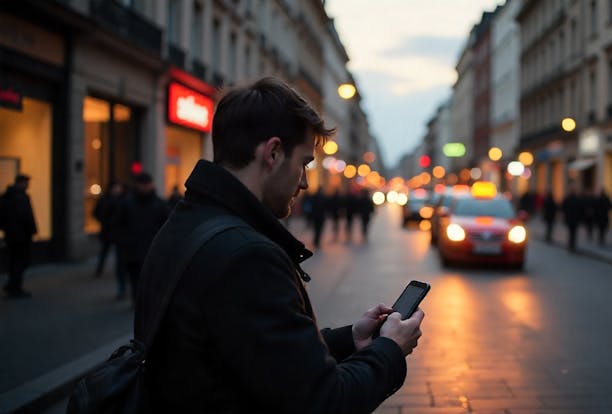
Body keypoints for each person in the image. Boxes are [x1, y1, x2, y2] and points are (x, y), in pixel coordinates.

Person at [134, 77, 424, 412]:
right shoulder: (246, 257)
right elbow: (324, 401)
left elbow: (258, 354)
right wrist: (389, 349)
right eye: (303, 163)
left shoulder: (187, 221)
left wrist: (350, 339)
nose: (304, 182)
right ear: (272, 153)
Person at [114, 173, 168, 302]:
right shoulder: (127, 203)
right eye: (142, 184)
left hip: (153, 251)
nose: (144, 187)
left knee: (151, 282)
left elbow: (167, 227)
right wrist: (124, 243)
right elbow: (118, 224)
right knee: (135, 281)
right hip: (133, 250)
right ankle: (137, 302)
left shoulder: (160, 204)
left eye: (147, 184)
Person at [0, 174, 37, 298]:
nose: (27, 185)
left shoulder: (8, 196)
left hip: (13, 235)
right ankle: (15, 287)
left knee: (15, 261)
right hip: (20, 236)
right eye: (26, 182)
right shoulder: (19, 197)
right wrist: (31, 230)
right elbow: (25, 217)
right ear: (20, 183)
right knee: (19, 262)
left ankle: (12, 285)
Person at [561, 186, 582, 252]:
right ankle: (572, 245)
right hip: (574, 219)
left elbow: (563, 208)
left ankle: (571, 245)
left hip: (570, 219)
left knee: (571, 232)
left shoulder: (568, 199)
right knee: (573, 232)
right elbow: (580, 210)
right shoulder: (576, 199)